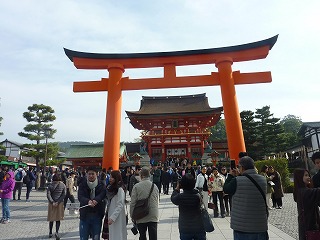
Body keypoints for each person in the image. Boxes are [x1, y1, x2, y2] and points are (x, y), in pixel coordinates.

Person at [223, 156, 268, 240]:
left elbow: (226, 189)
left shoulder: (236, 180)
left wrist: (230, 175)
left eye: (239, 167)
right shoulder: (263, 179)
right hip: (260, 225)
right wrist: (239, 175)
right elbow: (248, 183)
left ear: (242, 167)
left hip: (243, 226)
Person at [171, 173, 205, 240]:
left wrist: (177, 188)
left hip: (185, 228)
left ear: (182, 185)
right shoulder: (198, 195)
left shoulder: (180, 196)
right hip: (199, 226)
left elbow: (173, 199)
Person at [130, 167, 159, 240]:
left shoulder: (136, 186)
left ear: (141, 176)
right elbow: (157, 201)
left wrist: (132, 215)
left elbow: (133, 202)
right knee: (153, 236)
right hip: (153, 214)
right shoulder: (154, 186)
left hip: (141, 214)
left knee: (142, 235)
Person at [78, 166, 106, 240]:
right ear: (86, 174)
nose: (91, 176)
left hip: (97, 215)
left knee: (96, 237)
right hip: (85, 215)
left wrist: (96, 200)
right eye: (89, 174)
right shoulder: (82, 184)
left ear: (97, 174)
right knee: (83, 237)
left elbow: (103, 194)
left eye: (92, 174)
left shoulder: (102, 185)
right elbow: (80, 196)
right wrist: (88, 201)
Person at [293, 168, 320, 240]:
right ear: (299, 177)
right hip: (309, 227)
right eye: (305, 175)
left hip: (306, 226)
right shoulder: (304, 192)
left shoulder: (300, 191)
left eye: (308, 175)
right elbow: (317, 191)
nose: (308, 177)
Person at [102, 170, 127, 240]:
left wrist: (113, 217)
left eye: (112, 177)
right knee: (111, 235)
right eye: (110, 177)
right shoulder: (110, 188)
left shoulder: (120, 189)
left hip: (116, 216)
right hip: (110, 213)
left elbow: (120, 204)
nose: (110, 179)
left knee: (117, 235)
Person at [47, 173, 67, 239]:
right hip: (59, 203)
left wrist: (52, 201)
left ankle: (50, 232)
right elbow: (64, 194)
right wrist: (58, 201)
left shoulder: (50, 185)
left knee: (51, 219)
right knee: (58, 219)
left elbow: (48, 195)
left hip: (51, 204)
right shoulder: (63, 185)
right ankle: (57, 232)